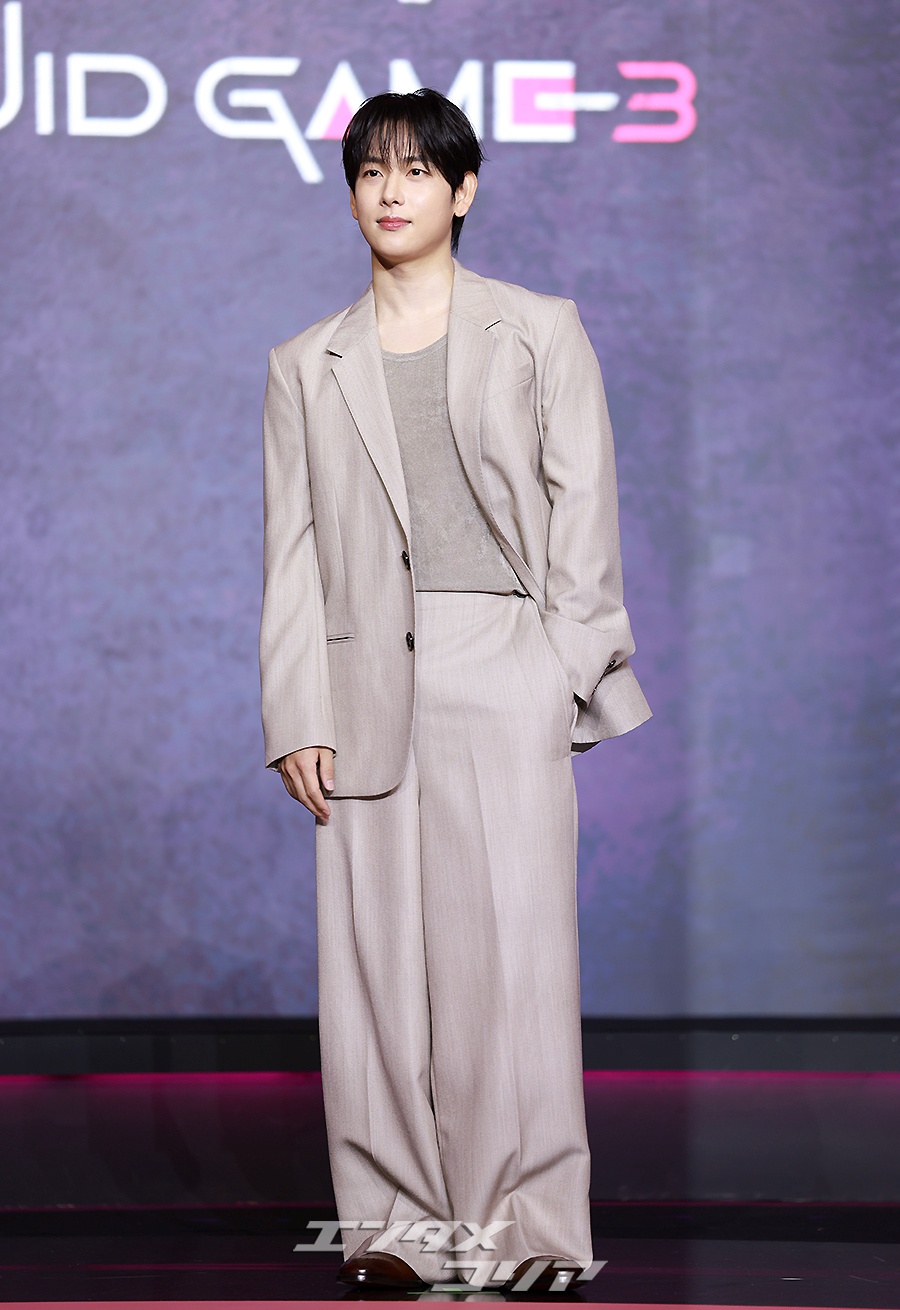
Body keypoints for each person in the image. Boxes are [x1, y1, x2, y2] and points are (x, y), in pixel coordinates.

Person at [259, 88, 651, 1292]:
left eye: (418, 170)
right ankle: (398, 1229)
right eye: (371, 171)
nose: (392, 191)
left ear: (463, 190)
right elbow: (293, 550)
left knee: (511, 966)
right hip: (361, 676)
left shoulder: (537, 328)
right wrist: (296, 711)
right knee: (373, 973)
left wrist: (559, 668)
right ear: (350, 194)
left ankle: (527, 1229)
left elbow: (583, 506)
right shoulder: (305, 362)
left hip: (502, 659)